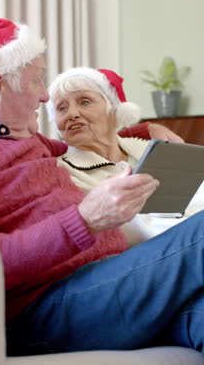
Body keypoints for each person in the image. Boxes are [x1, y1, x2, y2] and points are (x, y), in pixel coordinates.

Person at [0, 12, 204, 358]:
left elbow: (88, 140)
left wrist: (147, 130)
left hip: (105, 281)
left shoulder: (25, 139)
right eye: (37, 82)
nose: (44, 97)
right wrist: (85, 220)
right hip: (40, 310)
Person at [46, 67, 203, 246]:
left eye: (84, 102)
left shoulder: (156, 151)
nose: (72, 114)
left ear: (114, 111)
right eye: (61, 108)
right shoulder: (62, 173)